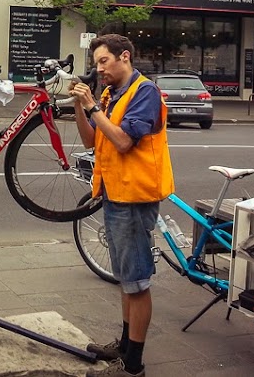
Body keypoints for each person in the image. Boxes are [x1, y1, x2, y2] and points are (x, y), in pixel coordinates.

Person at [68, 34, 174, 377]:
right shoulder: (110, 94)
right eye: (96, 63)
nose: (99, 70)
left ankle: (132, 366)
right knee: (125, 279)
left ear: (124, 57)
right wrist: (80, 106)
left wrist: (94, 108)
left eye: (104, 62)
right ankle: (125, 345)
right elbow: (92, 140)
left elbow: (124, 141)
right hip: (115, 194)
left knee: (137, 282)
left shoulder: (145, 92)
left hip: (135, 197)